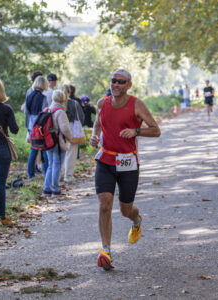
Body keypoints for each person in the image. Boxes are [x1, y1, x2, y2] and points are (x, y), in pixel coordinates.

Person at [90, 69, 161, 270]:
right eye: (114, 80)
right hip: (105, 159)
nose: (116, 84)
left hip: (128, 163)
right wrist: (94, 137)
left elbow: (156, 130)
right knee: (104, 204)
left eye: (121, 82)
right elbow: (97, 124)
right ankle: (106, 250)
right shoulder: (102, 103)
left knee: (125, 209)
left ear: (129, 85)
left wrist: (136, 131)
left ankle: (136, 220)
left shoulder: (136, 104)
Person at [0, 78, 19, 225]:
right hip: (2, 148)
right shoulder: (6, 109)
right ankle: (2, 217)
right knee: (0, 184)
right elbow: (14, 130)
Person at [42, 90, 72, 197]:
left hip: (48, 142)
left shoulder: (47, 109)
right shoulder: (60, 112)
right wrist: (70, 138)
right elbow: (64, 128)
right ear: (63, 99)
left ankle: (46, 189)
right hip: (58, 142)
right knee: (57, 166)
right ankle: (55, 190)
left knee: (51, 165)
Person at [25, 76, 48, 179]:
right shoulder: (43, 98)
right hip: (41, 127)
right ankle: (46, 172)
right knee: (45, 150)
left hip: (31, 126)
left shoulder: (29, 96)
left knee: (33, 151)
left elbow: (26, 112)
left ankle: (30, 174)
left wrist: (28, 128)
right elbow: (45, 112)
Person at [61, 84, 84, 183]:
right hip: (72, 127)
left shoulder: (57, 103)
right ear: (70, 92)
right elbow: (81, 117)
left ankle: (59, 174)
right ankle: (68, 175)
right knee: (71, 152)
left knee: (61, 152)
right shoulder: (74, 103)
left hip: (59, 128)